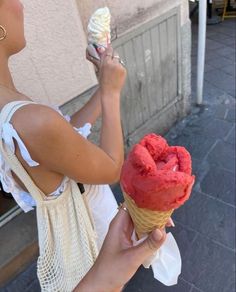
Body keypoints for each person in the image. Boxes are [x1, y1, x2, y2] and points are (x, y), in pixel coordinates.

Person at [0, 1, 168, 291]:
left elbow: (63, 139)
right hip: (91, 231)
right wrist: (113, 95)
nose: (21, 4)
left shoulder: (13, 109)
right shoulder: (31, 121)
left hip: (72, 233)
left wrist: (104, 86)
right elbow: (111, 167)